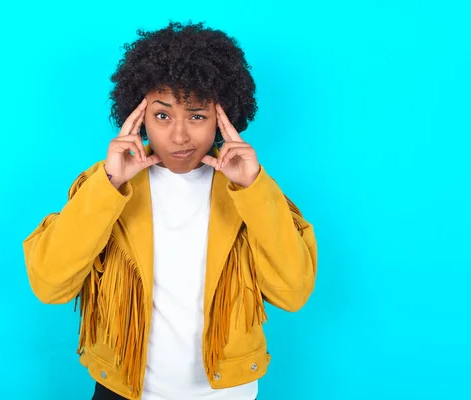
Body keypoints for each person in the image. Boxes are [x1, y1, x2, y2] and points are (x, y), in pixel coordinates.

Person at [23, 21, 317, 400]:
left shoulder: (249, 189)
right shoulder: (106, 185)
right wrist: (109, 187)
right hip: (125, 390)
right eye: (162, 116)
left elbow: (293, 293)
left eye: (197, 116)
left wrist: (254, 190)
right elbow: (49, 283)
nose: (179, 137)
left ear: (223, 119)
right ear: (139, 116)